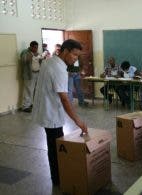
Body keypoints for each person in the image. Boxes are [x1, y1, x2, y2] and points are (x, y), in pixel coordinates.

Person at [32, 39, 88, 186]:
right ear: (65, 51)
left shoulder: (49, 61)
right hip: (51, 113)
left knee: (54, 145)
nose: (75, 59)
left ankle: (57, 176)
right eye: (74, 55)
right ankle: (57, 179)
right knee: (56, 147)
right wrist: (78, 121)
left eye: (77, 56)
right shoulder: (59, 68)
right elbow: (64, 99)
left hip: (46, 110)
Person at [20, 41, 41, 112]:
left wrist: (40, 58)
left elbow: (39, 62)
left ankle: (31, 104)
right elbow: (23, 60)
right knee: (28, 90)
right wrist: (32, 55)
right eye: (35, 48)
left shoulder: (37, 53)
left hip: (37, 73)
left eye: (37, 47)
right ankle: (25, 106)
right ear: (31, 47)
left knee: (35, 90)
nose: (36, 49)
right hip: (29, 74)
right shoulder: (25, 52)